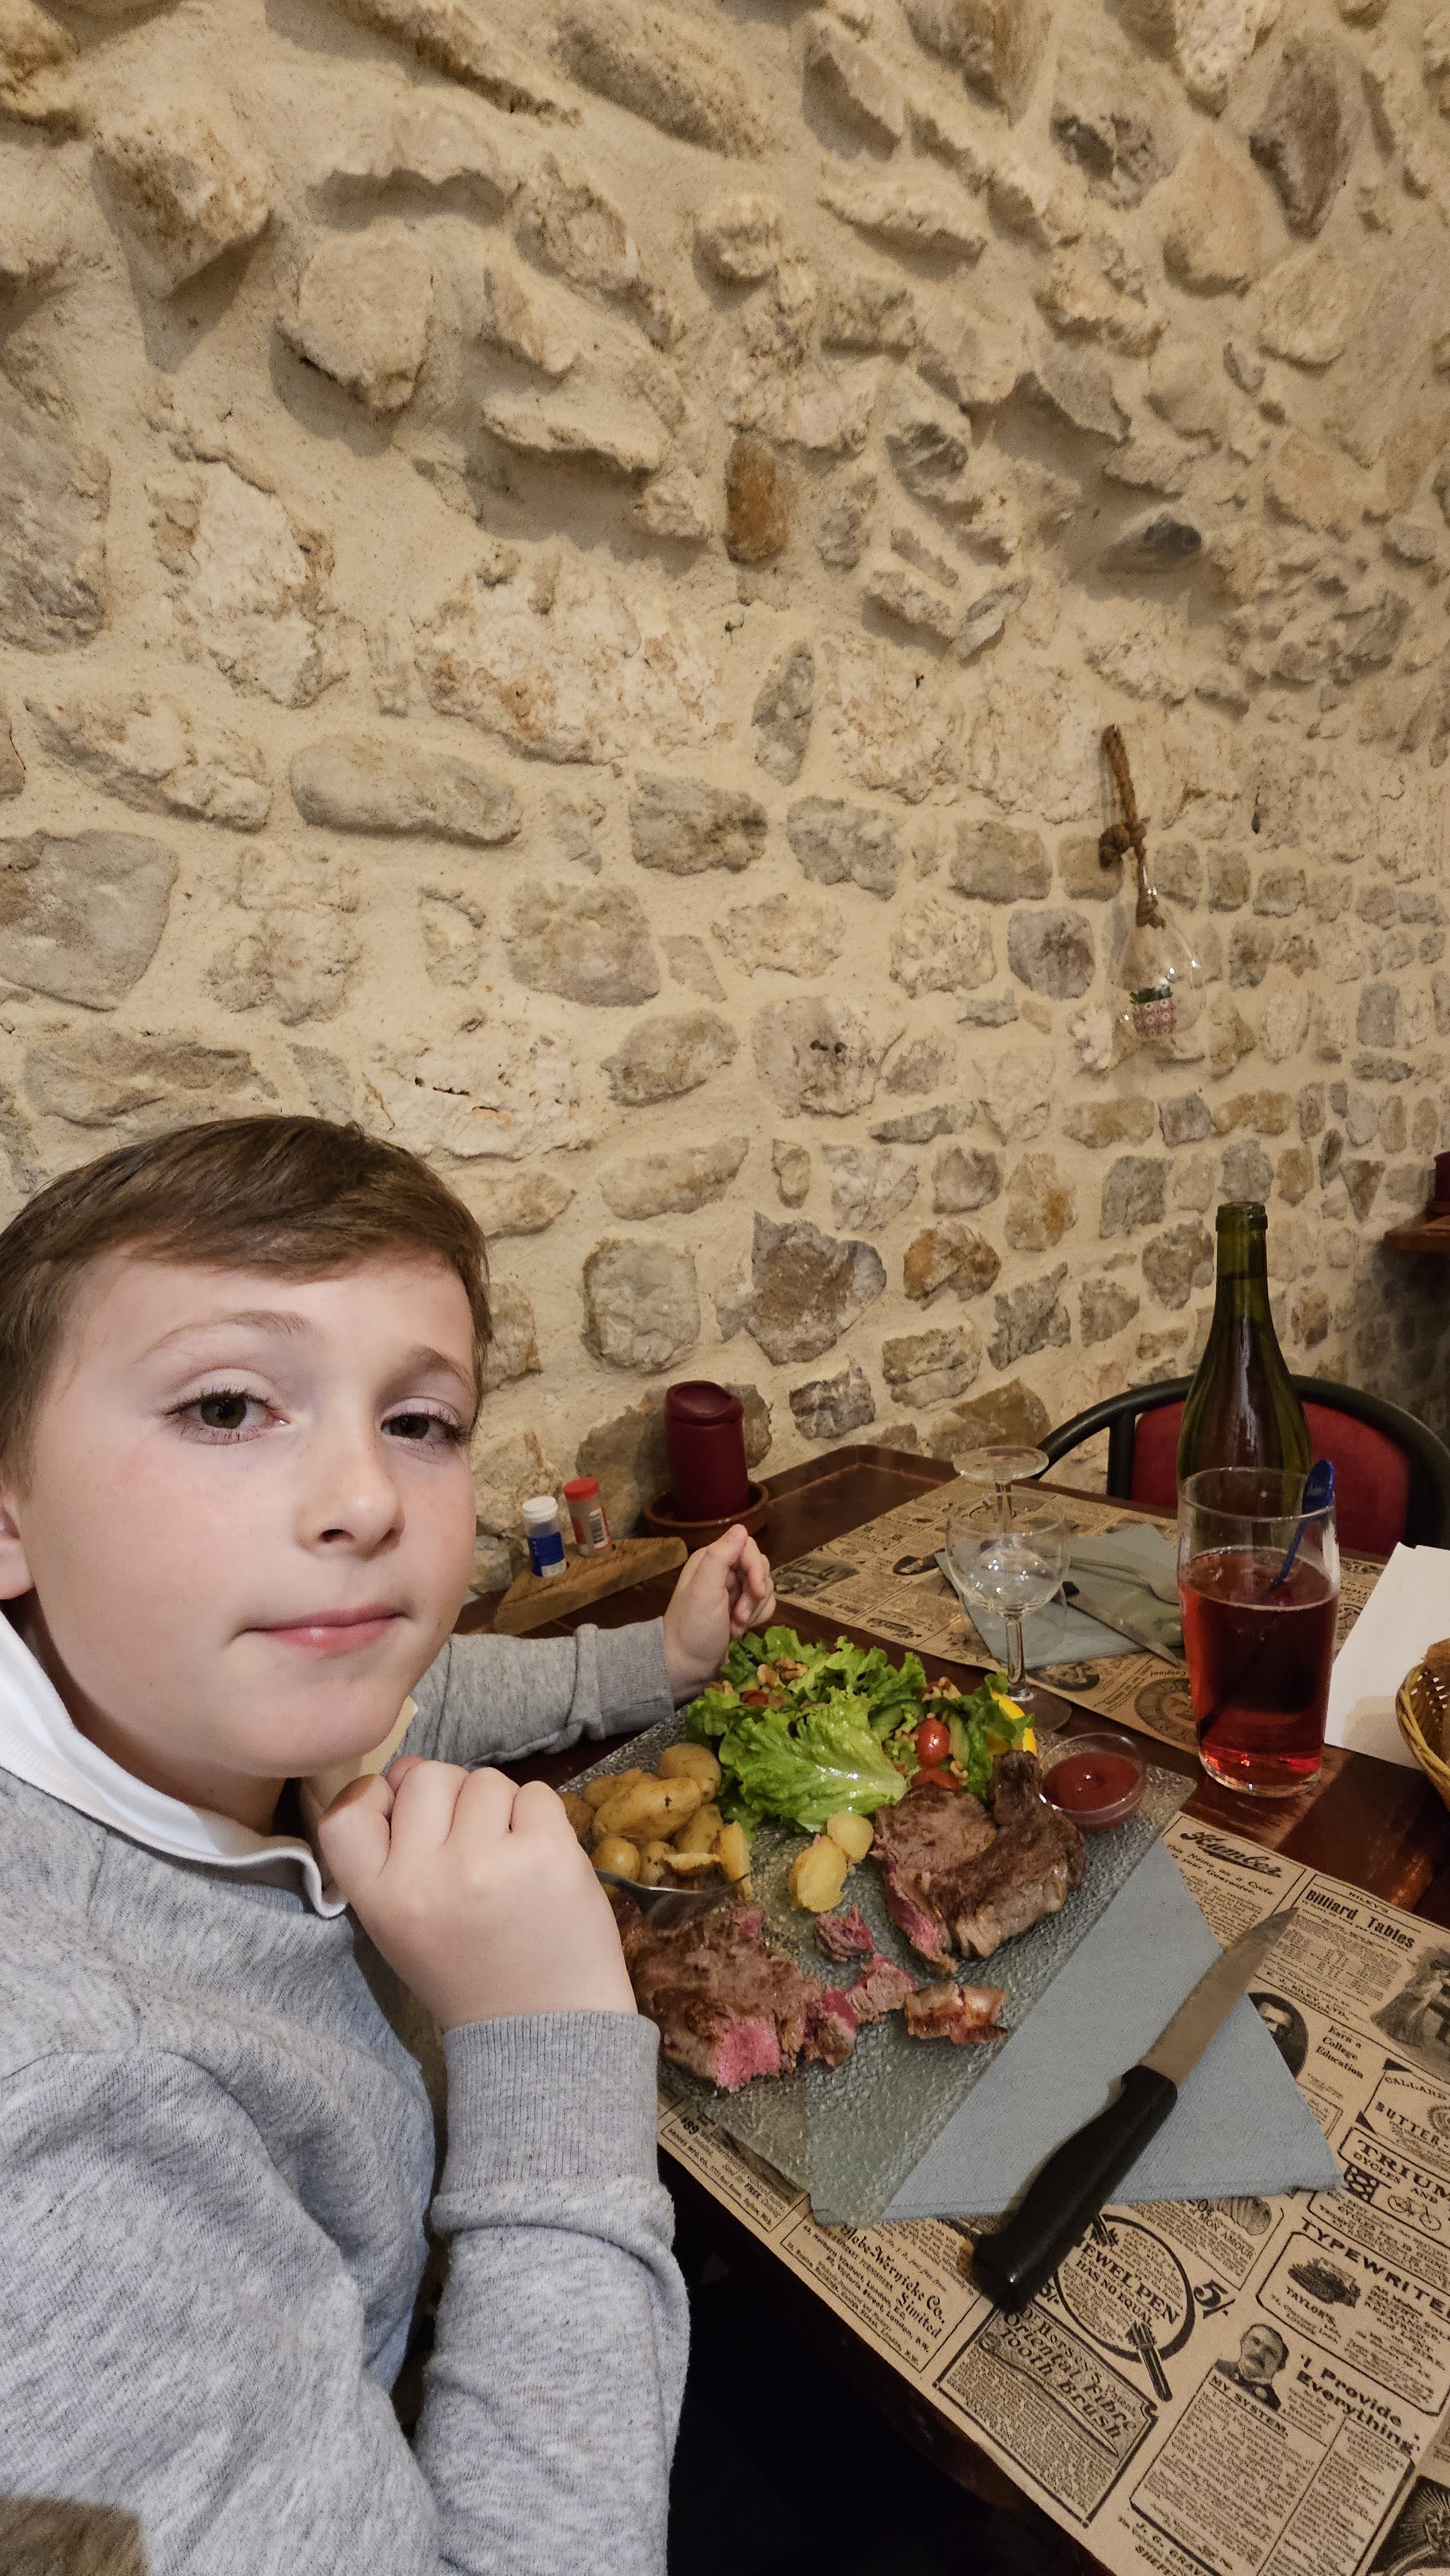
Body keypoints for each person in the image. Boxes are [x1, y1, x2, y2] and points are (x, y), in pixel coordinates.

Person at [0, 1116, 777, 2576]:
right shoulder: (57, 2119)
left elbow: (417, 1688)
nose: (366, 1499)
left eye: (419, 1422)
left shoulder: (174, 1687)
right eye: (227, 1406)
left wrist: (656, 1665)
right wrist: (544, 2035)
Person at [1214, 2323, 1290, 2409]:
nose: (1259, 2352)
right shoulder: (1217, 2366)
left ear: (1280, 2367)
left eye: (1270, 2352)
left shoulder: (1275, 2405)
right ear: (1243, 2341)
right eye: (1256, 2342)